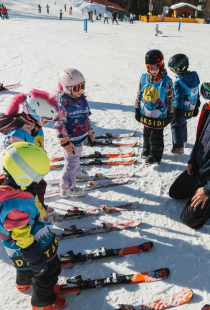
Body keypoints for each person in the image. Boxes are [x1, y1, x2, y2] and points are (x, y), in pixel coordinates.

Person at [0, 142, 67, 310]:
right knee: (48, 271)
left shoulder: (11, 183)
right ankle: (43, 302)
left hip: (13, 246)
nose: (38, 180)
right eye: (36, 176)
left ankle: (23, 283)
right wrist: (36, 259)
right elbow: (23, 237)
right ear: (23, 174)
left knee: (22, 265)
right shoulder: (16, 204)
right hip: (35, 245)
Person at [0, 89, 57, 216]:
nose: (46, 123)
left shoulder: (36, 127)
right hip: (23, 172)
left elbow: (38, 144)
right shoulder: (18, 133)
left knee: (40, 186)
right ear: (34, 114)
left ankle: (39, 207)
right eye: (45, 119)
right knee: (29, 191)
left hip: (35, 166)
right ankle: (34, 212)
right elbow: (13, 155)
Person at [169, 83, 210, 230]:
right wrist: (191, 161)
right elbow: (200, 139)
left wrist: (206, 191)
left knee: (189, 220)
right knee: (175, 192)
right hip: (201, 168)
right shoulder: (208, 109)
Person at [53, 68, 96, 198]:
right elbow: (59, 125)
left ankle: (76, 172)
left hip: (80, 137)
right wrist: (65, 143)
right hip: (71, 142)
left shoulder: (82, 100)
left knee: (76, 158)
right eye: (77, 88)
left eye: (82, 87)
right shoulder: (63, 105)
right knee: (70, 163)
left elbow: (86, 117)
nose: (81, 91)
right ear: (67, 88)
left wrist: (90, 133)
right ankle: (66, 188)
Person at [135, 49, 174, 165]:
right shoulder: (143, 78)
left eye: (156, 66)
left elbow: (170, 99)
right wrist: (137, 109)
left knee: (156, 136)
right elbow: (139, 95)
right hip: (146, 114)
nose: (153, 70)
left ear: (161, 64)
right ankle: (147, 149)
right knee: (146, 133)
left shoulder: (167, 81)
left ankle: (155, 155)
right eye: (150, 67)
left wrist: (170, 114)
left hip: (160, 116)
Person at [168, 54, 200, 154]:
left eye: (174, 69)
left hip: (181, 109)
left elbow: (178, 98)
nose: (173, 72)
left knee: (176, 125)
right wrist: (196, 106)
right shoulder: (194, 78)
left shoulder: (179, 82)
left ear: (181, 67)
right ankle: (184, 141)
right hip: (190, 109)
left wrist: (176, 111)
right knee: (183, 123)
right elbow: (196, 93)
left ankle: (178, 147)